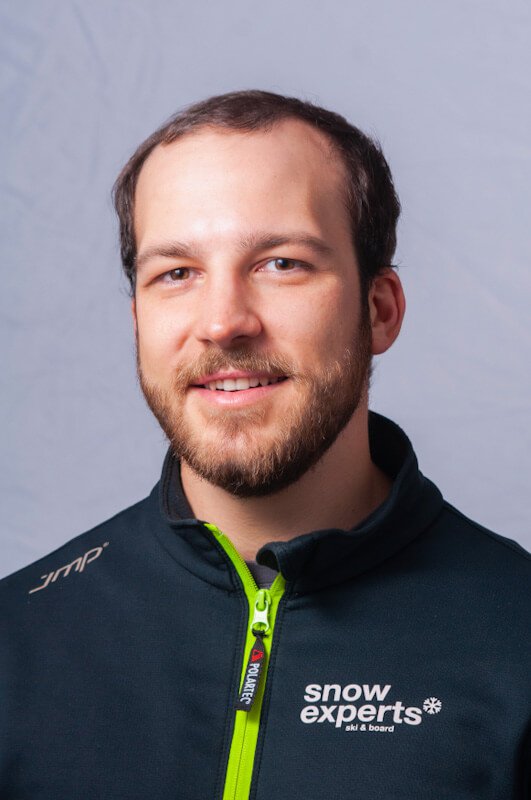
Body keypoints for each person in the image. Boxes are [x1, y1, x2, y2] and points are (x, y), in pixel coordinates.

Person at [1, 90, 529, 799]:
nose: (222, 323)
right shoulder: (18, 638)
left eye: (280, 263)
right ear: (138, 318)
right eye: (176, 274)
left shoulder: (516, 638)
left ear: (378, 311)